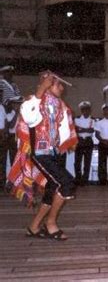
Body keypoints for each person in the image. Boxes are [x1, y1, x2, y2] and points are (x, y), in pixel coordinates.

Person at [6, 71, 78, 240]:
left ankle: (33, 227)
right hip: (39, 153)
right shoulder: (34, 100)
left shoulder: (61, 105)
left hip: (54, 153)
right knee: (66, 183)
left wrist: (64, 143)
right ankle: (51, 224)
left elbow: (64, 129)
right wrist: (41, 90)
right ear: (48, 84)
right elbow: (29, 117)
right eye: (58, 84)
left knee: (52, 190)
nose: (62, 87)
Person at [74, 101, 95, 186]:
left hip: (88, 141)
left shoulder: (92, 120)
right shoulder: (76, 119)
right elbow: (75, 130)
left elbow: (92, 130)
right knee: (77, 161)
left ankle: (85, 180)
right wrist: (86, 129)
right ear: (81, 111)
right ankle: (78, 179)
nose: (85, 111)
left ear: (89, 110)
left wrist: (81, 129)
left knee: (87, 161)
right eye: (84, 110)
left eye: (87, 110)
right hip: (79, 141)